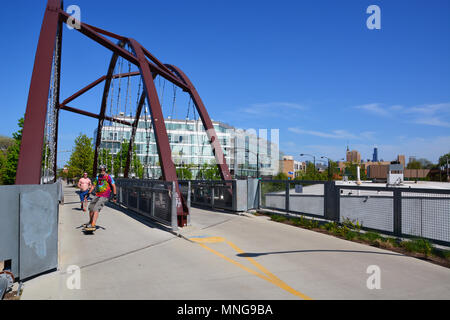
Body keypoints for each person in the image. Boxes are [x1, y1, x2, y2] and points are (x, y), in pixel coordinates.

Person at [84, 165, 117, 230]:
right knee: (91, 208)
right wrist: (88, 193)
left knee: (96, 208)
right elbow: (93, 186)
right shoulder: (98, 177)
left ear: (105, 170)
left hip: (105, 195)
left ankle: (93, 224)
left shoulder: (108, 177)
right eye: (101, 170)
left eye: (103, 169)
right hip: (97, 194)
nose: (102, 171)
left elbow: (113, 186)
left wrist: (115, 196)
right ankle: (90, 222)